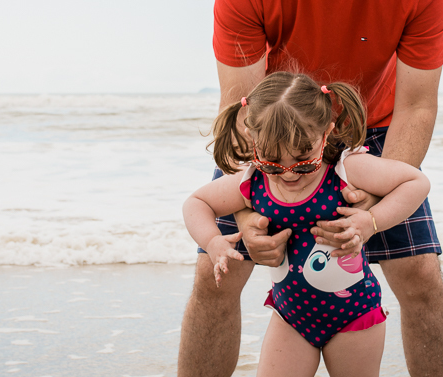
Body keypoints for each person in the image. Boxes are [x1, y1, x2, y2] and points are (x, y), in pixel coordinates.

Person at [178, 0, 443, 377]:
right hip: (274, 130)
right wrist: (249, 213)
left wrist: (371, 204)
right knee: (217, 274)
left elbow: (416, 105)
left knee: (421, 277)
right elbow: (241, 107)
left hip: (373, 132)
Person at [184, 72, 430, 377]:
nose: (288, 173)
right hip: (290, 319)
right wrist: (212, 241)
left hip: (355, 317)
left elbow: (416, 181)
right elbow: (196, 203)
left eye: (303, 160)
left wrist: (372, 221)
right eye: (272, 160)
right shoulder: (252, 181)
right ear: (253, 140)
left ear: (325, 133)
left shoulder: (346, 169)